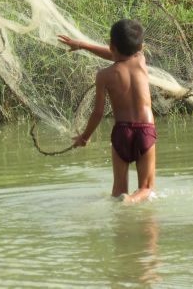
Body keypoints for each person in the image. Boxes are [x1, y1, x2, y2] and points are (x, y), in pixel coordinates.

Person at [57, 19, 156, 204]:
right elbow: (116, 54)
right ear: (140, 46)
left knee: (118, 189)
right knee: (147, 188)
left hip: (122, 132)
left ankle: (122, 207)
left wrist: (84, 137)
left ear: (111, 45)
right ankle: (132, 201)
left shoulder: (103, 75)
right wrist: (83, 45)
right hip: (145, 130)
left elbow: (98, 112)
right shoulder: (140, 60)